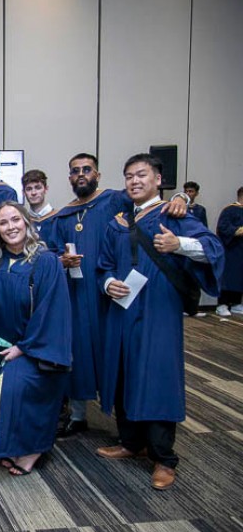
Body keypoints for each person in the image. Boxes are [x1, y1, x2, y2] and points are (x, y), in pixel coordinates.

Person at [96, 153, 223, 490]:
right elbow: (103, 266)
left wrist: (178, 244)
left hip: (158, 312)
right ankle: (130, 442)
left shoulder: (175, 215)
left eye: (141, 175)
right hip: (123, 310)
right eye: (128, 176)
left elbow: (212, 247)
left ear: (157, 179)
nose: (134, 181)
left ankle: (163, 458)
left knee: (157, 376)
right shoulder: (118, 222)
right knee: (124, 372)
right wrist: (109, 284)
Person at [48, 153, 188, 438]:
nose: (81, 175)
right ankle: (78, 415)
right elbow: (49, 252)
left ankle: (134, 427)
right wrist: (61, 260)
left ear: (97, 175)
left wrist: (182, 197)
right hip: (77, 295)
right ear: (70, 178)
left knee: (121, 357)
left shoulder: (114, 201)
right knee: (78, 353)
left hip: (114, 298)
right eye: (75, 171)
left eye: (87, 169)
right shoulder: (62, 215)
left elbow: (150, 202)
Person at [0, 202, 72, 475]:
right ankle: (12, 444)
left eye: (15, 220)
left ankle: (32, 448)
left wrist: (24, 347)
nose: (10, 227)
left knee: (14, 386)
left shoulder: (45, 261)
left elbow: (51, 311)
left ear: (27, 222)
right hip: (0, 343)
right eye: (3, 223)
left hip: (37, 347)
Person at [215, 186, 243, 316]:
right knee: (228, 277)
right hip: (231, 250)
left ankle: (237, 303)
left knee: (240, 277)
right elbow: (223, 228)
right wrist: (238, 231)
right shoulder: (229, 210)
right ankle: (222, 304)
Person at [22, 169, 56, 243]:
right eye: (29, 189)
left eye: (38, 188)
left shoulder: (59, 218)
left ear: (46, 189)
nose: (33, 193)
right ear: (23, 193)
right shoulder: (23, 221)